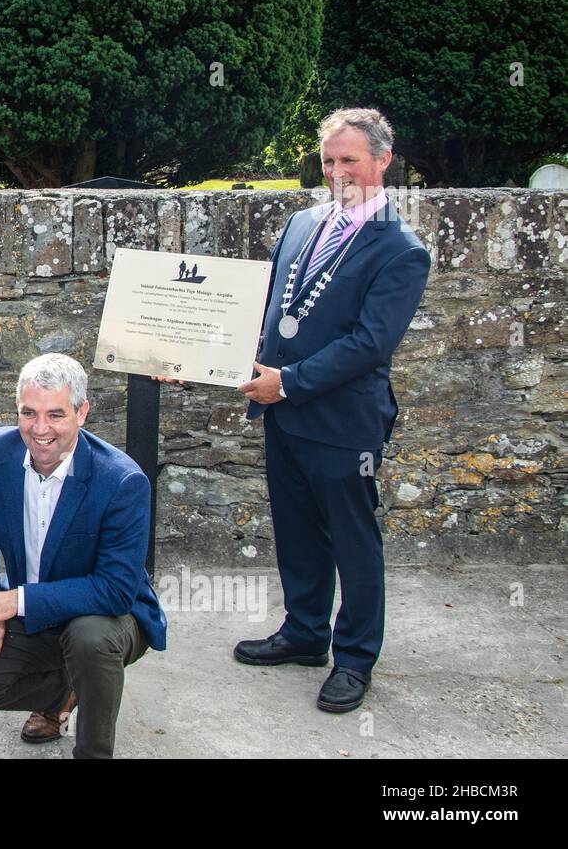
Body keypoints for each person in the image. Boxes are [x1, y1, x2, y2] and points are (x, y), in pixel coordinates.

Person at [233, 108, 430, 712]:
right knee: (296, 532)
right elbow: (264, 307)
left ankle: (354, 658)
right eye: (328, 160)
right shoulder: (302, 222)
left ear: (383, 160)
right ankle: (304, 633)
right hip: (284, 413)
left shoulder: (401, 249)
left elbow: (370, 344)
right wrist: (193, 356)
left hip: (344, 422)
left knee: (353, 540)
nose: (338, 171)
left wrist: (287, 382)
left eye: (350, 160)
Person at [0, 354, 167, 759]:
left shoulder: (123, 481)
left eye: (55, 414)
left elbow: (116, 590)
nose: (40, 429)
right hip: (34, 614)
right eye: (28, 413)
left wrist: (15, 601)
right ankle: (69, 688)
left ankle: (93, 748)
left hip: (110, 615)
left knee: (90, 639)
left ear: (82, 412)